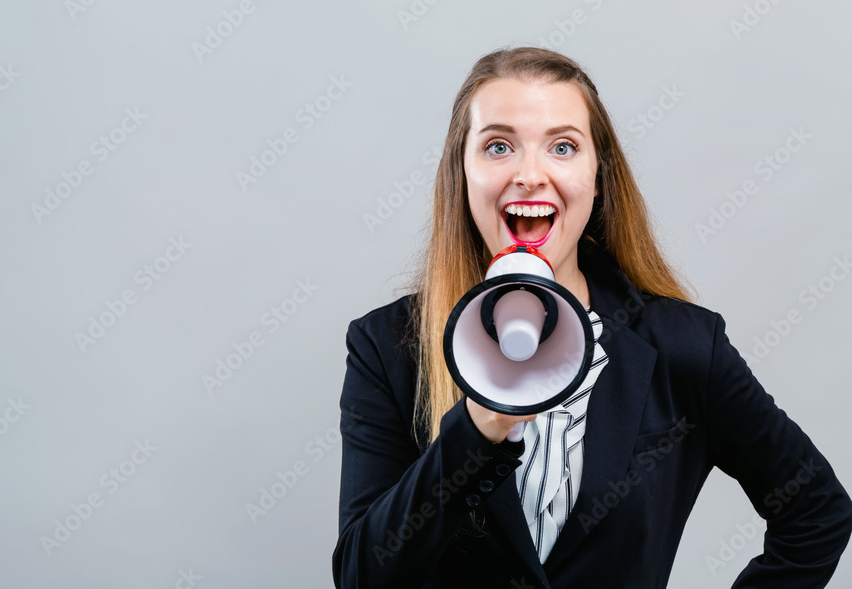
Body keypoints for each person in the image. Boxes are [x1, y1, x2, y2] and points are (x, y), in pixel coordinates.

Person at [331, 46, 852, 588]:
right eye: (498, 146)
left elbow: (816, 512)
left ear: (597, 176)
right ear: (462, 174)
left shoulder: (685, 346)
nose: (530, 174)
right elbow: (363, 577)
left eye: (562, 146)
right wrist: (479, 429)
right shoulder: (388, 346)